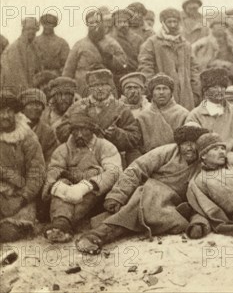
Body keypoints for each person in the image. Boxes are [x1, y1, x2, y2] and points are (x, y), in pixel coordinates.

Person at [75, 125, 209, 254]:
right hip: (149, 192)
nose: (190, 148)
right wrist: (117, 195)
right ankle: (96, 236)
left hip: (171, 205)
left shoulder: (203, 164)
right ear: (179, 144)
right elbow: (136, 169)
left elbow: (201, 198)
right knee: (139, 204)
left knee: (133, 215)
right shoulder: (166, 152)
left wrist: (198, 222)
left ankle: (97, 234)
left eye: (194, 143)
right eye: (185, 143)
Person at [41, 113, 122, 243]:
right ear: (71, 132)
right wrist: (55, 186)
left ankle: (66, 223)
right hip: (69, 190)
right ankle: (61, 222)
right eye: (76, 130)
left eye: (84, 130)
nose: (79, 134)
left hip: (96, 196)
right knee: (62, 184)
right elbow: (54, 169)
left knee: (91, 184)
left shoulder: (105, 147)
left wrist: (87, 186)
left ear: (92, 130)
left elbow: (114, 171)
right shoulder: (63, 149)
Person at [57, 69, 142, 164]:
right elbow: (61, 131)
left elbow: (134, 138)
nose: (100, 89)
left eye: (104, 85)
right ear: (89, 88)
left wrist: (116, 133)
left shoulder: (121, 108)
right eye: (95, 85)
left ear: (110, 87)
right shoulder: (77, 106)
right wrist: (75, 128)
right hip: (79, 159)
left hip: (112, 159)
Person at [0, 89, 45, 242]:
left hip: (20, 196)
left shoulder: (27, 137)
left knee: (8, 232)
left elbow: (37, 174)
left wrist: (22, 199)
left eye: (8, 111)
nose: (5, 116)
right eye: (0, 112)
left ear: (15, 112)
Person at [138, 7, 202, 110]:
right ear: (163, 23)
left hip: (186, 97)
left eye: (175, 22)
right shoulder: (152, 43)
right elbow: (146, 68)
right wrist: (152, 91)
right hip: (161, 96)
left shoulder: (186, 45)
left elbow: (194, 69)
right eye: (169, 22)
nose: (172, 25)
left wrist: (195, 93)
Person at [186, 68, 233, 154]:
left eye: (222, 87)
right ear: (205, 91)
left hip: (232, 161)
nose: (220, 91)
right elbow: (191, 146)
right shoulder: (195, 115)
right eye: (215, 87)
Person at [62, 10, 128, 96]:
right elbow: (68, 71)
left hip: (106, 89)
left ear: (102, 23)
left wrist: (110, 59)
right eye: (91, 23)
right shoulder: (80, 45)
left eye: (97, 22)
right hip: (83, 90)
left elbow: (124, 64)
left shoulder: (112, 43)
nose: (94, 25)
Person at [136, 74, 189, 154]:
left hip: (175, 158)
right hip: (149, 159)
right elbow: (138, 146)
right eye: (157, 89)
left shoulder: (182, 114)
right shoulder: (143, 117)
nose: (161, 92)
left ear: (171, 92)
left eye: (165, 88)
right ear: (152, 93)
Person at [192, 15, 233, 82]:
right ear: (212, 27)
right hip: (209, 79)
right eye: (217, 25)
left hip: (232, 78)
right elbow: (199, 63)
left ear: (226, 28)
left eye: (223, 25)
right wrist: (223, 64)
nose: (220, 27)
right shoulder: (202, 43)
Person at [0, 18, 42, 91]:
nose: (31, 32)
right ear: (23, 30)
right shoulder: (14, 48)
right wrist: (27, 91)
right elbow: (17, 75)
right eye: (28, 29)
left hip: (29, 89)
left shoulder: (33, 48)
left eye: (34, 30)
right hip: (14, 90)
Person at [18, 88, 58, 162]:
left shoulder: (48, 132)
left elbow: (50, 159)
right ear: (22, 108)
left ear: (43, 109)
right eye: (30, 104)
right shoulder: (14, 128)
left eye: (38, 104)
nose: (35, 108)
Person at [110, 8, 144, 86]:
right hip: (115, 77)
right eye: (119, 22)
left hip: (134, 76)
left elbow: (142, 59)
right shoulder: (109, 39)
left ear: (129, 23)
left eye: (125, 22)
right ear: (115, 24)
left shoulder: (137, 39)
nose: (123, 24)